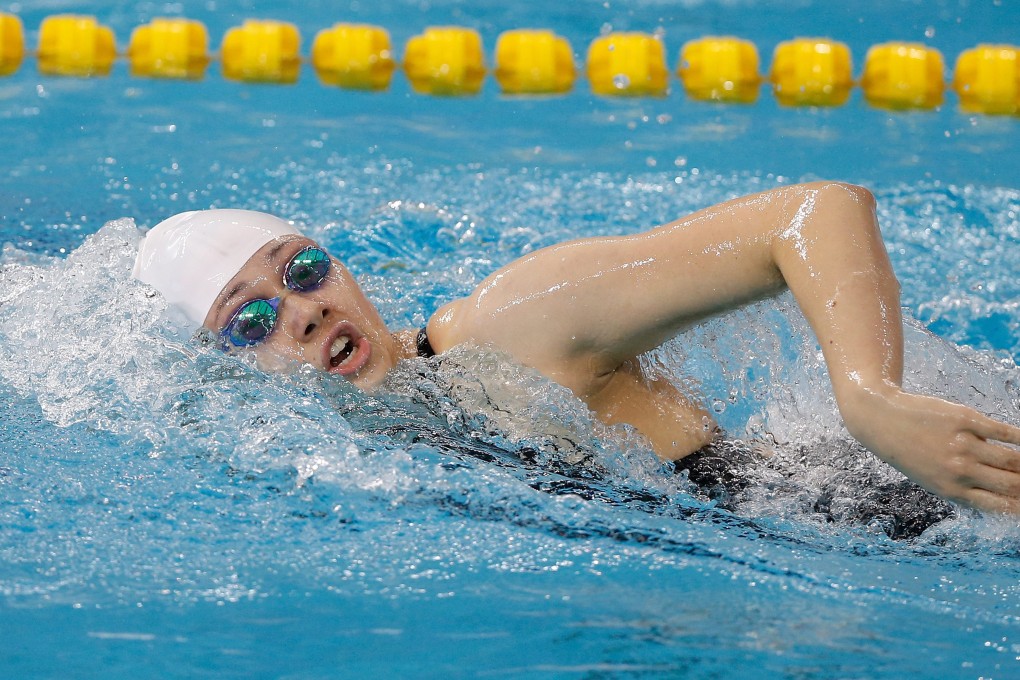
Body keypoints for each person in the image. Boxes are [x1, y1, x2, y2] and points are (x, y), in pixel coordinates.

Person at [133, 181, 1020, 516]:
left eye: (304, 270)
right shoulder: (344, 459)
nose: (303, 312)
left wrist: (871, 396)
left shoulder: (507, 326)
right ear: (232, 374)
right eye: (250, 322)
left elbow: (815, 211)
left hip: (925, 501)